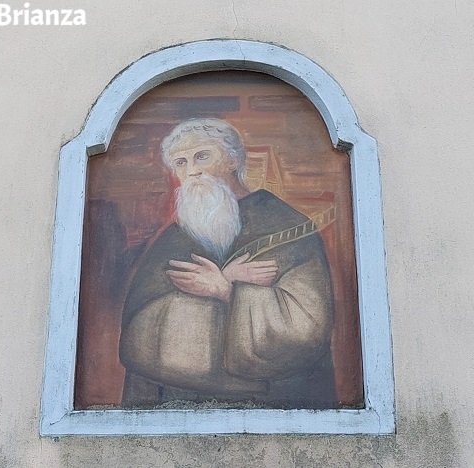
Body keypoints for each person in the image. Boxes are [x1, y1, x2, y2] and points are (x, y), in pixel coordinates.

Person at [119, 118, 337, 408]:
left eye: (202, 156)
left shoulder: (288, 227)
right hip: (177, 404)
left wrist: (226, 290)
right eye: (180, 163)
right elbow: (137, 333)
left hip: (270, 404)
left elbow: (307, 330)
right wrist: (225, 281)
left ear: (232, 160)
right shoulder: (172, 239)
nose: (192, 171)